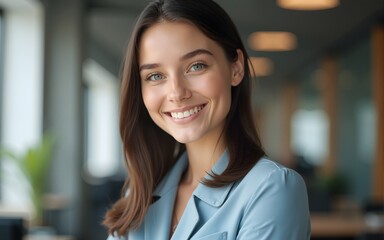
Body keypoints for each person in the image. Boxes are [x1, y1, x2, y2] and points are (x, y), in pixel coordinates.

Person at [104, 0, 311, 239]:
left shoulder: (273, 188)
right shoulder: (140, 193)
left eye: (196, 66)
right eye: (156, 75)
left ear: (236, 69)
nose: (177, 93)